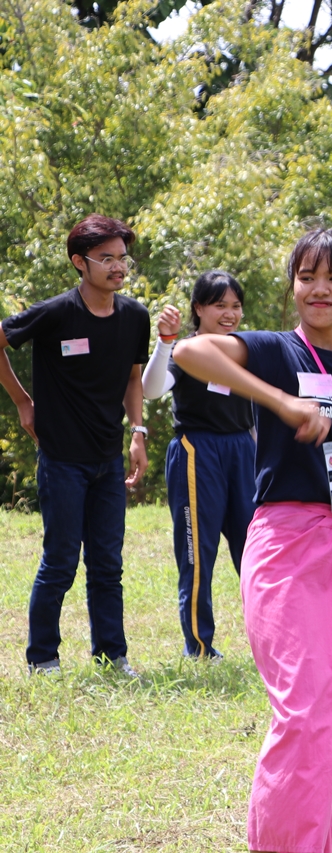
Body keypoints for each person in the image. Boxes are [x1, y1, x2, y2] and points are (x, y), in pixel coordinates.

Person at [173, 228, 332, 853]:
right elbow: (191, 354)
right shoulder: (277, 351)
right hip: (283, 544)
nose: (320, 289)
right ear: (293, 286)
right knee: (304, 707)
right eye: (308, 276)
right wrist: (278, 401)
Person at [0, 214, 150, 677]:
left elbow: (132, 378)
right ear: (79, 263)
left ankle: (112, 655)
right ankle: (42, 658)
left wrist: (138, 431)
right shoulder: (56, 313)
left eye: (122, 257)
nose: (117, 266)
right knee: (61, 561)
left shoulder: (134, 317)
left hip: (107, 459)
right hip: (62, 459)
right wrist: (24, 403)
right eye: (106, 258)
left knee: (108, 563)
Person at [142, 271, 256, 660]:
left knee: (256, 552)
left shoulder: (247, 349)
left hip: (244, 451)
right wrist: (165, 343)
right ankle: (201, 647)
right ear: (199, 309)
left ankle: (272, 639)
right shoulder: (186, 351)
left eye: (235, 306)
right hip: (198, 451)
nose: (229, 314)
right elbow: (151, 389)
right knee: (197, 555)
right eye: (220, 305)